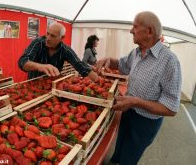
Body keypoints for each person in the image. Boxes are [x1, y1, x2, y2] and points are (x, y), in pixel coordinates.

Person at [96, 11, 182, 165]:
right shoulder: (136, 52)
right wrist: (108, 59)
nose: (130, 30)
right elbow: (121, 64)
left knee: (129, 157)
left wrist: (136, 102)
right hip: (128, 111)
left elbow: (171, 108)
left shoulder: (170, 61)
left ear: (149, 31)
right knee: (120, 148)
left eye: (135, 26)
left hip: (145, 122)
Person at [18, 22, 98, 81]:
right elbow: (23, 62)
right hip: (33, 87)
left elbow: (79, 64)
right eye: (47, 34)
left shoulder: (65, 50)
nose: (48, 38)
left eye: (52, 36)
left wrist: (99, 81)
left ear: (62, 37)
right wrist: (40, 66)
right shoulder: (37, 43)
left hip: (53, 88)